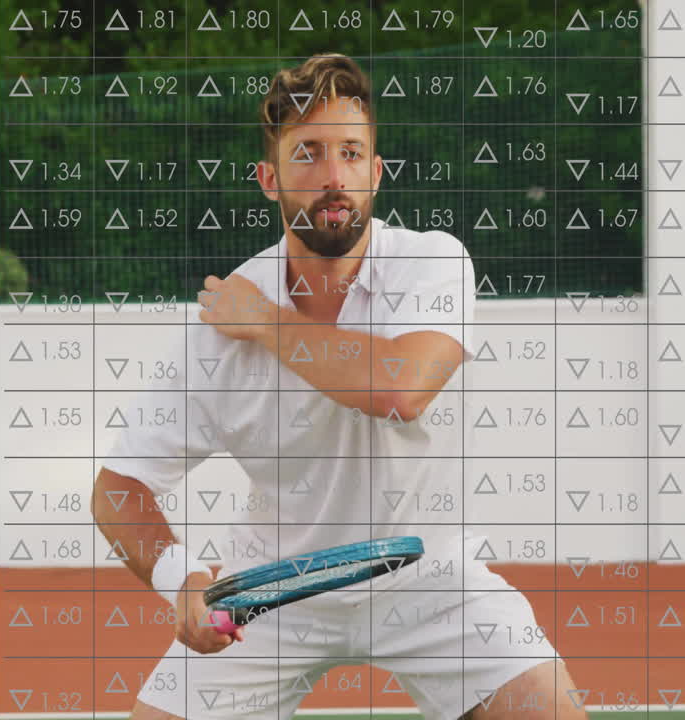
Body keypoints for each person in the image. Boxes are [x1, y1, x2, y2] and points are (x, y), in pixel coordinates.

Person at [93, 53, 580, 720]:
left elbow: (400, 388)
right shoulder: (217, 329)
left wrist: (266, 324)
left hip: (433, 580)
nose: (332, 177)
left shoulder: (433, 263)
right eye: (307, 154)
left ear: (375, 173)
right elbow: (119, 487)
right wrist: (182, 584)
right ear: (269, 179)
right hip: (273, 594)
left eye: (351, 153)